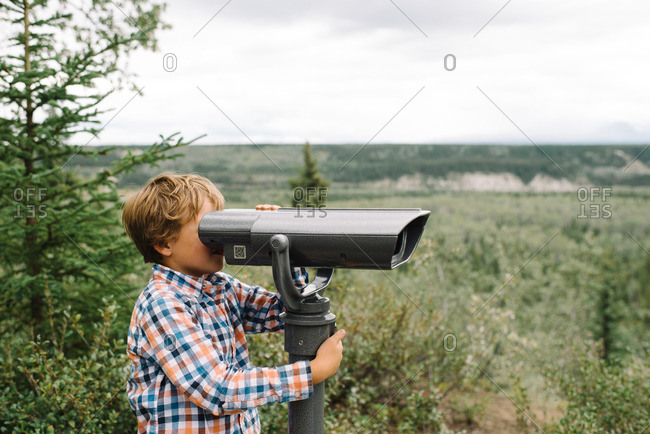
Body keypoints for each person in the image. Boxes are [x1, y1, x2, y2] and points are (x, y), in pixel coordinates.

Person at [122, 173, 346, 433]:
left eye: (221, 222)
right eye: (208, 227)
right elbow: (218, 389)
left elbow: (285, 309)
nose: (220, 237)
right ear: (164, 243)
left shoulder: (220, 286)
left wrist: (281, 244)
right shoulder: (163, 304)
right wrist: (311, 373)